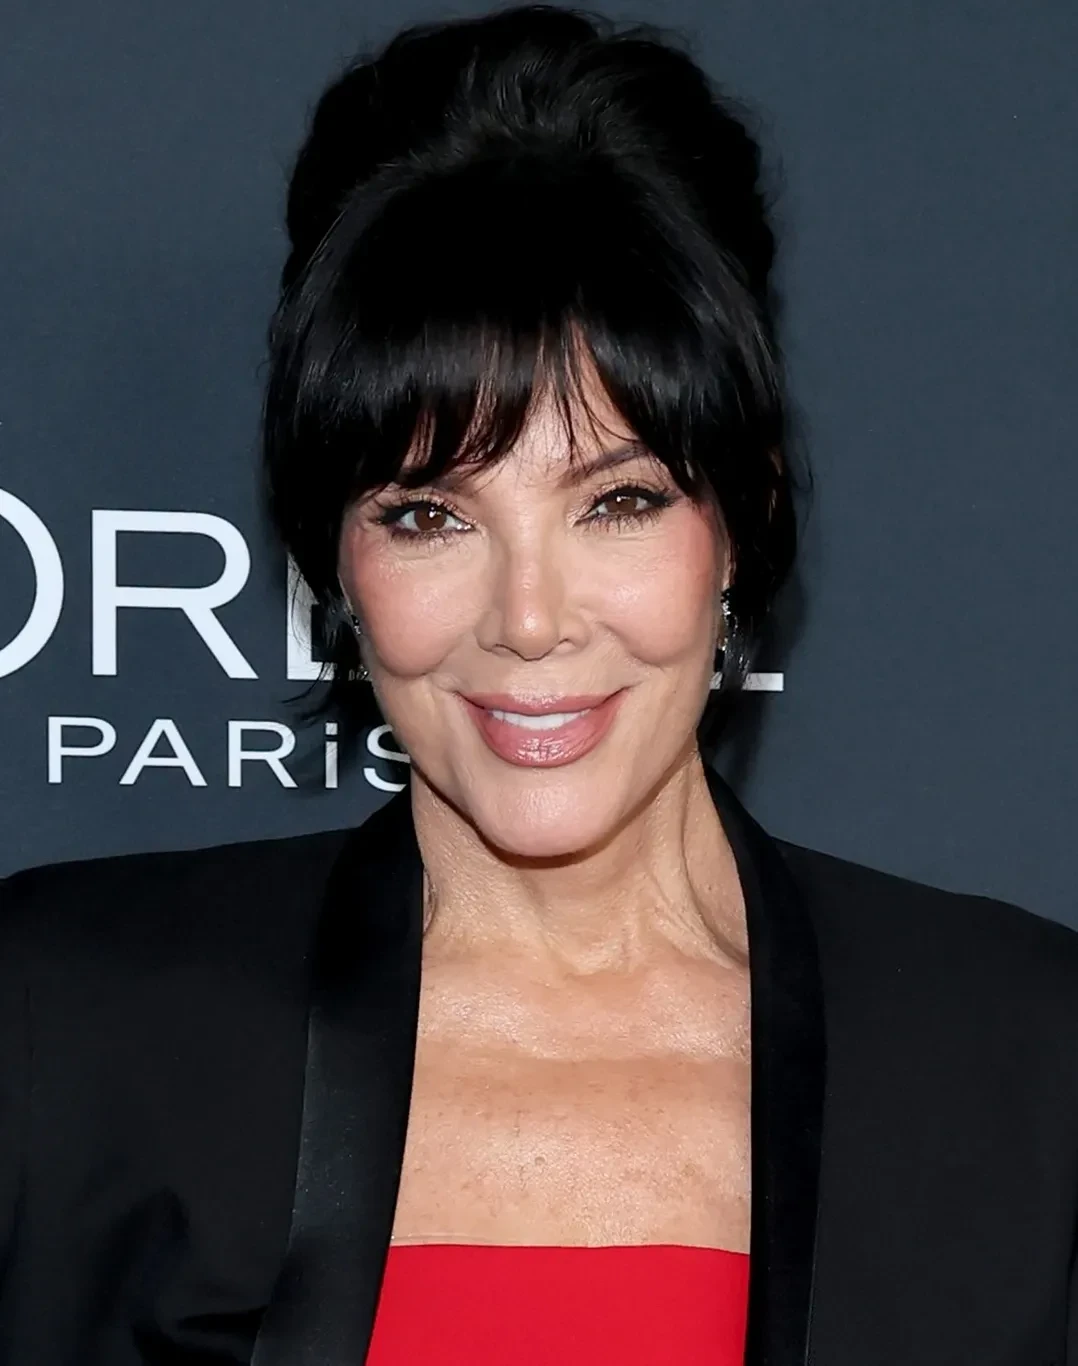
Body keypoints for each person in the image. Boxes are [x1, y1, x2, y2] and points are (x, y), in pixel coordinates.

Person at [2, 6, 1077, 1364]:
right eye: (429, 516)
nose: (528, 620)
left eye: (617, 502)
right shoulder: (63, 1029)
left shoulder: (1022, 1058)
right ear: (332, 555)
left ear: (739, 521)